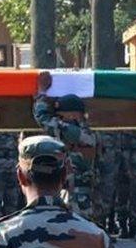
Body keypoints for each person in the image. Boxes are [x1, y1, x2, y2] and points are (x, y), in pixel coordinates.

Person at [33, 72, 101, 220]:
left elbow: (43, 118)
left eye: (61, 115)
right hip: (81, 193)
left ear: (73, 114)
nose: (59, 118)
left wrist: (42, 92)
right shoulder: (86, 132)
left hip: (75, 196)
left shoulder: (75, 132)